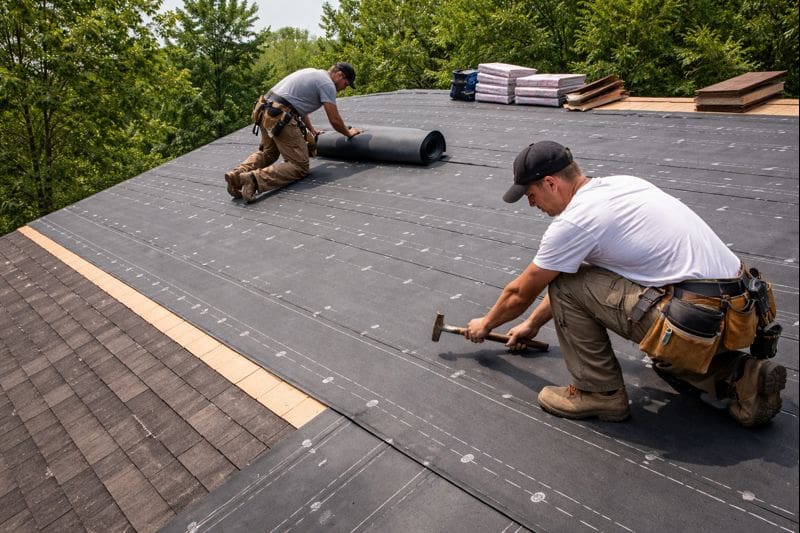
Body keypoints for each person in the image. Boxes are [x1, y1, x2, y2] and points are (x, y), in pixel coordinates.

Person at [465, 140, 786, 427]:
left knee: (562, 284)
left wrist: (486, 323)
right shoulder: (623, 186)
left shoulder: (576, 220)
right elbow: (581, 273)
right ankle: (745, 378)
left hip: (699, 319)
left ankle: (597, 391)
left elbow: (520, 292)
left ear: (550, 183)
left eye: (531, 195)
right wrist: (531, 325)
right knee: (663, 359)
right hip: (743, 308)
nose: (531, 204)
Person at [225, 62, 363, 203]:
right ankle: (253, 180)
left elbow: (298, 107)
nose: (344, 89)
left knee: (269, 153)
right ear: (339, 75)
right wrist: (349, 133)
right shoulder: (327, 84)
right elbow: (334, 120)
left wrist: (311, 130)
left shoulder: (313, 73)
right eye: (346, 84)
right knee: (299, 166)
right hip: (279, 115)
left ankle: (237, 175)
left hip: (264, 110)